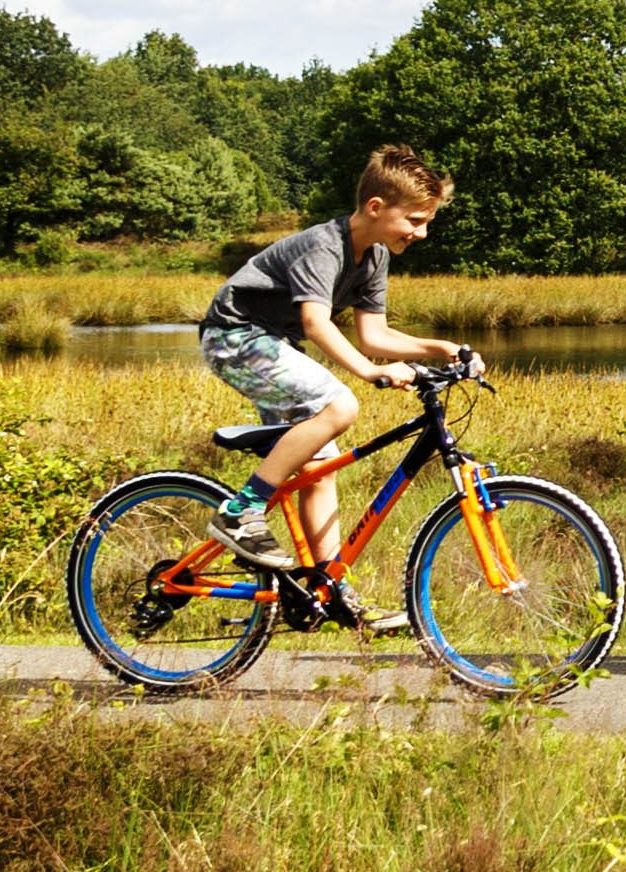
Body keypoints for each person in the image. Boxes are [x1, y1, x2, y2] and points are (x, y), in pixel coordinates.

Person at [196, 146, 470, 571]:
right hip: (234, 336)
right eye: (415, 220)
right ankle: (240, 511)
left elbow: (374, 335)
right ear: (376, 207)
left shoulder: (375, 255)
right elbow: (315, 323)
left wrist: (441, 348)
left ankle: (328, 585)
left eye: (426, 222)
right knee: (339, 406)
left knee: (319, 468)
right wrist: (369, 371)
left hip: (275, 343)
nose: (422, 233)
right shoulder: (323, 246)